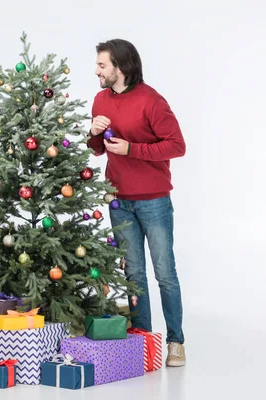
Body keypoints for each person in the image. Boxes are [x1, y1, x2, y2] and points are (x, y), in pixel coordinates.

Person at [87, 39, 187, 367]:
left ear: (121, 67)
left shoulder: (151, 101)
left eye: (102, 65)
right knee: (134, 274)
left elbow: (176, 146)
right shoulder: (101, 99)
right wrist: (93, 132)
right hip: (119, 201)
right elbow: (100, 149)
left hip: (154, 200)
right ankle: (144, 339)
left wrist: (133, 150)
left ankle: (175, 342)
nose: (97, 71)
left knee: (164, 273)